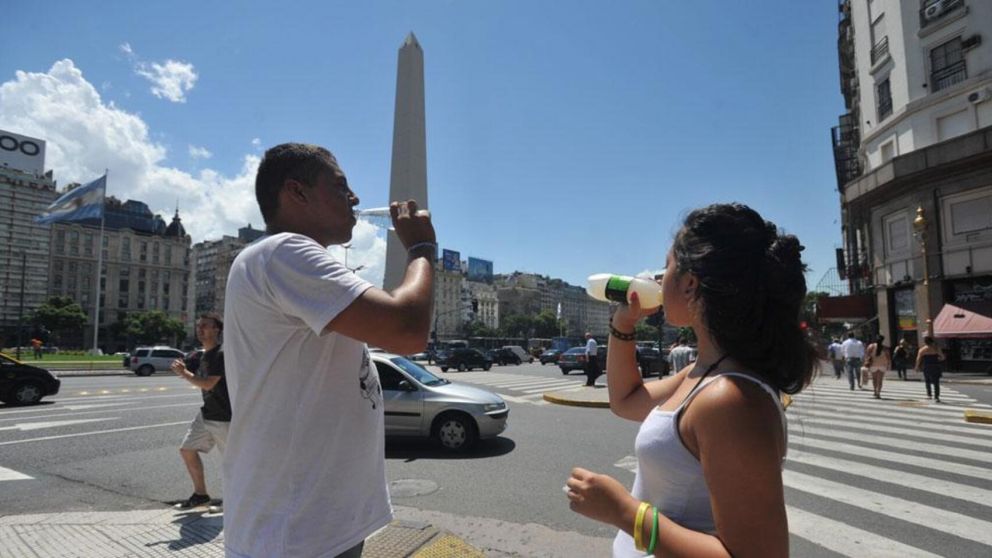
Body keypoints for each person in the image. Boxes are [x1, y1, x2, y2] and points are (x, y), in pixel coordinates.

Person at [566, 203, 815, 558]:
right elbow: (625, 399)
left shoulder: (729, 398)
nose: (656, 276)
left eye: (666, 266)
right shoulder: (704, 372)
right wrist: (623, 325)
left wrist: (624, 511)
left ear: (689, 284)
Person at [222, 143, 435, 558]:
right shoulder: (284, 252)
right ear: (296, 192)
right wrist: (421, 249)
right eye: (341, 186)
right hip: (293, 535)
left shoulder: (290, 263)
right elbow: (407, 329)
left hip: (314, 527)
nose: (354, 197)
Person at [169, 313, 229, 511]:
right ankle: (201, 495)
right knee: (187, 450)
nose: (200, 329)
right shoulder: (205, 354)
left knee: (231, 462)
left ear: (216, 330)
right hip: (207, 413)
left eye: (205, 326)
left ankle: (232, 502)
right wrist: (186, 372)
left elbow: (209, 383)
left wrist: (185, 374)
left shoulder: (221, 354)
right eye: (198, 326)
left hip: (224, 417)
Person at [915, 336, 945, 403]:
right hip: (935, 366)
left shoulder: (922, 349)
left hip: (926, 366)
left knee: (927, 380)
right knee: (936, 382)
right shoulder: (936, 349)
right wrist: (938, 359)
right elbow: (942, 357)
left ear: (925, 342)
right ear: (932, 341)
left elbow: (918, 359)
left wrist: (917, 367)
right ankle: (936, 397)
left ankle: (929, 394)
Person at [864, 334, 891, 399]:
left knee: (874, 379)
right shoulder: (885, 348)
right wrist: (889, 365)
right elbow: (888, 358)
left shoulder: (871, 346)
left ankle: (875, 391)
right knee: (880, 380)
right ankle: (878, 393)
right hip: (882, 365)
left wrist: (866, 362)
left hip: (873, 365)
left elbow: (867, 355)